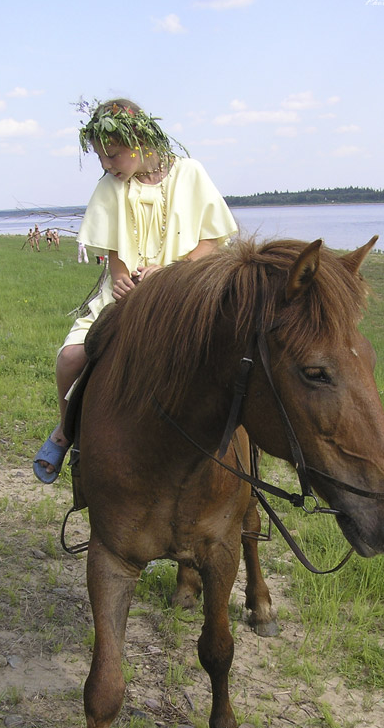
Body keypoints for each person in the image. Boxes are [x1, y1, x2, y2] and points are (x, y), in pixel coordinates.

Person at [33, 97, 238, 483]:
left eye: (113, 156)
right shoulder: (111, 186)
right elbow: (113, 248)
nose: (108, 166)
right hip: (125, 294)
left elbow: (212, 240)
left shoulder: (189, 174)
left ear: (141, 142)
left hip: (184, 292)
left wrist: (173, 271)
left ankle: (239, 454)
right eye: (101, 159)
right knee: (71, 358)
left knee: (233, 359)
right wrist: (123, 276)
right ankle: (66, 429)